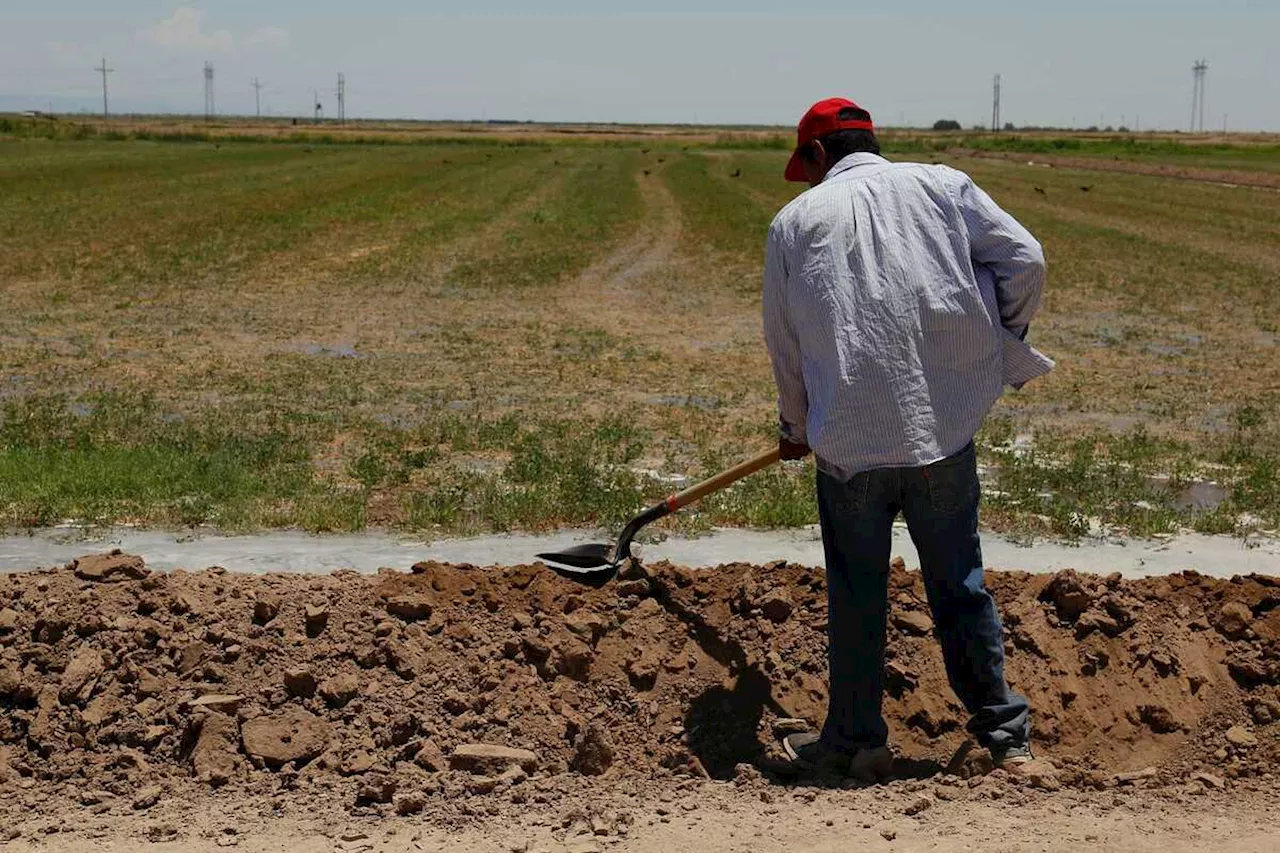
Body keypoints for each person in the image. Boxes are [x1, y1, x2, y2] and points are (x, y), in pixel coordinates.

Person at [762, 97, 1055, 781]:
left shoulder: (795, 222)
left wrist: (795, 426)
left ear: (815, 156)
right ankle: (1007, 741)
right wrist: (998, 337)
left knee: (856, 593)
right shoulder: (942, 185)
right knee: (960, 586)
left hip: (849, 448)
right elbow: (1027, 259)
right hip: (942, 433)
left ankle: (856, 742)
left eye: (802, 167)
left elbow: (786, 343)